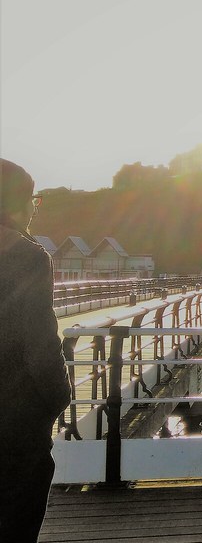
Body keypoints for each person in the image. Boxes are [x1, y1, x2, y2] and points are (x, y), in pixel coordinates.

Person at [0, 158, 72, 542]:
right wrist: (59, 398)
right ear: (18, 203)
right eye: (33, 199)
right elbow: (41, 344)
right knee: (15, 521)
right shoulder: (25, 256)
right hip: (15, 421)